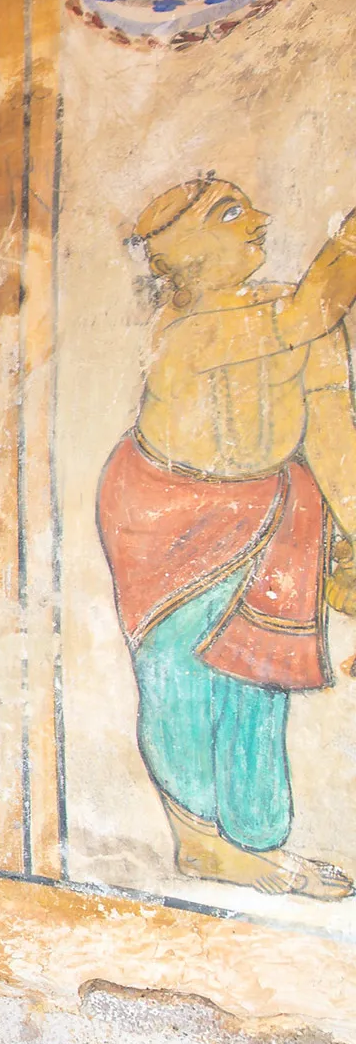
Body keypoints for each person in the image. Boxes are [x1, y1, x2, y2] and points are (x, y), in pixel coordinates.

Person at [97, 176, 356, 898]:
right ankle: (198, 840)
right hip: (166, 517)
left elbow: (333, 430)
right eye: (232, 213)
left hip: (272, 510)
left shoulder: (295, 318)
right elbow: (305, 313)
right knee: (179, 674)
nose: (262, 219)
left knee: (259, 676)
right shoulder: (187, 329)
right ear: (185, 253)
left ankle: (255, 838)